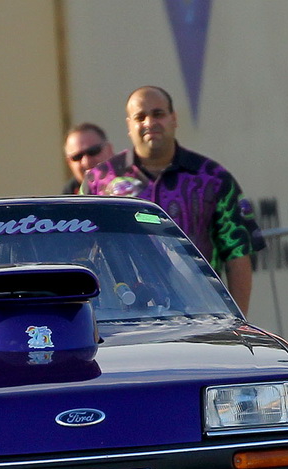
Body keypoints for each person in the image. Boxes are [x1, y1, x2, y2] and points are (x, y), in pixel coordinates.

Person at [82, 86, 260, 313]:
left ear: (174, 119)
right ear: (129, 125)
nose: (149, 122)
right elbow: (80, 253)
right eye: (140, 117)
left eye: (158, 114)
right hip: (122, 319)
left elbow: (238, 257)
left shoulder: (213, 178)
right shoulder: (99, 181)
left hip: (201, 315)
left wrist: (238, 320)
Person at [62, 122, 113, 194]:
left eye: (93, 151)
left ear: (109, 150)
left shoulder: (127, 183)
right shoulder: (69, 196)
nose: (86, 162)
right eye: (77, 157)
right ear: (69, 163)